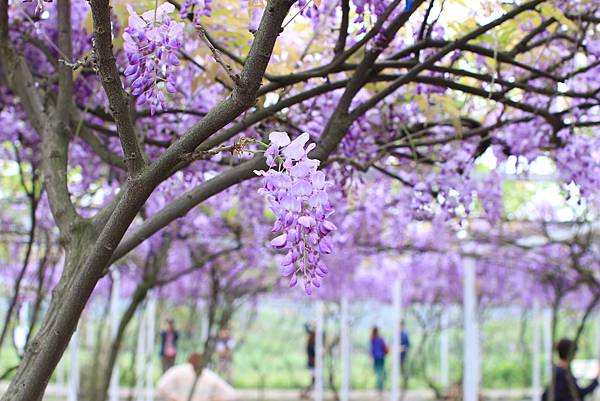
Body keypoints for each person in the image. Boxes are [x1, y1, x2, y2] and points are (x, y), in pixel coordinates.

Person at [157, 352, 237, 401]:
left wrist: (174, 398)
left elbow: (161, 386)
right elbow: (230, 394)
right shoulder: (208, 375)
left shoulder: (178, 370)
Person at [370, 326, 388, 393]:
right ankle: (380, 388)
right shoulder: (380, 339)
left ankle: (379, 388)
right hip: (380, 358)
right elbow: (384, 347)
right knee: (381, 373)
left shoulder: (372, 339)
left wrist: (371, 357)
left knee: (378, 373)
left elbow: (371, 350)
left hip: (376, 358)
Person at [300, 323, 316, 399]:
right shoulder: (310, 342)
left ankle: (305, 393)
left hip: (312, 363)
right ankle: (304, 393)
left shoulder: (311, 342)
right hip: (312, 364)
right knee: (314, 380)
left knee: (314, 381)